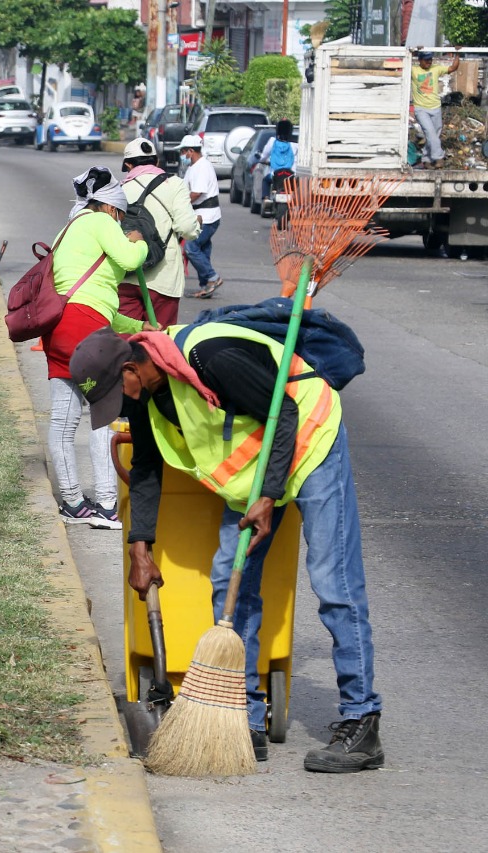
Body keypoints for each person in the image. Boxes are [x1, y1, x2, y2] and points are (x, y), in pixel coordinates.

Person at [70, 326, 383, 772]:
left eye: (116, 394)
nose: (120, 407)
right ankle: (247, 721)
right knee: (230, 583)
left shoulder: (210, 357)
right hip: (254, 467)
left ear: (130, 368)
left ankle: (361, 720)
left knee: (334, 581)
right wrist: (140, 547)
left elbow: (287, 414)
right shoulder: (145, 392)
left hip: (311, 441)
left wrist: (269, 496)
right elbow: (145, 467)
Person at [43, 166, 152, 529]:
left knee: (63, 421)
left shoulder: (67, 229)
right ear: (111, 208)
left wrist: (139, 327)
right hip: (86, 333)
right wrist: (138, 239)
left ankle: (73, 503)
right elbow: (131, 259)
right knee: (104, 416)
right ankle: (107, 504)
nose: (120, 223)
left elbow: (98, 302)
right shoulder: (101, 221)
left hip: (60, 332)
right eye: (120, 217)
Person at [118, 137, 201, 326]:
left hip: (126, 275)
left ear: (128, 165)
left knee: (124, 340)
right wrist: (197, 224)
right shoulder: (174, 184)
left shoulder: (120, 189)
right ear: (156, 161)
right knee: (159, 342)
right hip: (163, 276)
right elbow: (187, 228)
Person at [178, 135, 223, 299]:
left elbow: (197, 192)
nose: (181, 155)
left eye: (183, 151)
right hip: (201, 215)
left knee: (191, 248)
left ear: (191, 151)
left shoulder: (202, 167)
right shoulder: (193, 167)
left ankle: (213, 277)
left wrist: (180, 205)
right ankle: (206, 285)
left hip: (207, 216)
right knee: (202, 250)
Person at [411, 47, 460, 168]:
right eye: (426, 60)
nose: (429, 62)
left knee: (434, 135)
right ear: (420, 60)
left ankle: (426, 159)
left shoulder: (436, 68)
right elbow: (399, 63)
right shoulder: (413, 70)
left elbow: (453, 68)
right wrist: (412, 50)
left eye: (430, 60)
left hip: (436, 108)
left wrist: (457, 53)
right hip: (421, 109)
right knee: (431, 133)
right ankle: (439, 158)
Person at [258, 119, 298, 213]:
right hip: (291, 175)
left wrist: (262, 160)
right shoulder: (295, 144)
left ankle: (266, 198)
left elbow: (264, 156)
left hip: (275, 174)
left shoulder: (272, 141)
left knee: (265, 180)